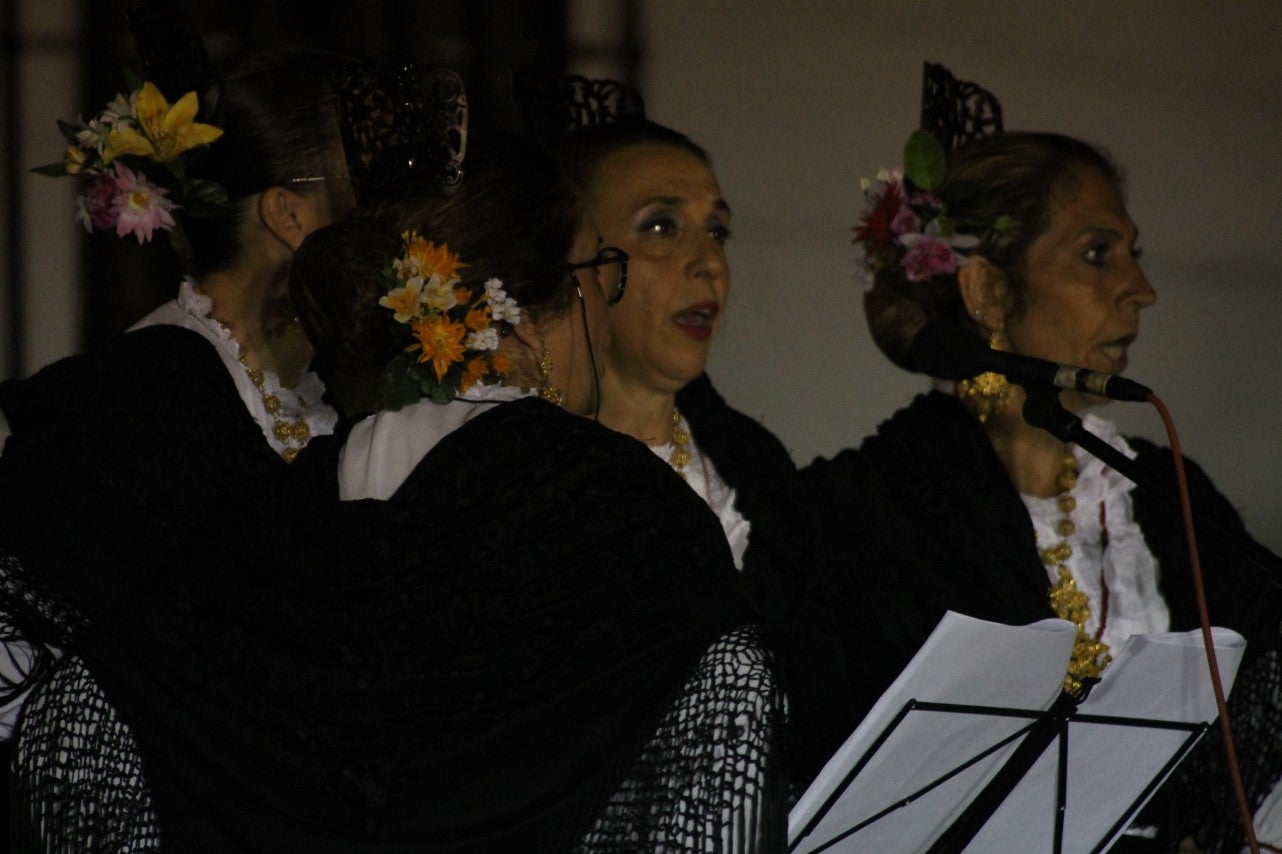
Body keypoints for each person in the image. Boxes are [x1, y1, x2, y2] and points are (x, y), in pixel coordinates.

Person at [5, 120, 787, 849]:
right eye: (595, 271)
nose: (603, 307)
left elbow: (81, 719)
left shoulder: (268, 518)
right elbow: (723, 744)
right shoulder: (638, 519)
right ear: (518, 312)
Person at [801, 121, 1282, 851]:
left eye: (1133, 254)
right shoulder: (868, 512)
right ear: (988, 289)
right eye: (1097, 255)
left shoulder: (1159, 491)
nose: (1140, 291)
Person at [0, 42, 368, 847]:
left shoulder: (340, 398)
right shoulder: (126, 408)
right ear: (290, 212)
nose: (408, 230)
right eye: (371, 186)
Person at [544, 77, 854, 788]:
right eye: (660, 226)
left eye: (717, 230)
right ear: (573, 258)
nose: (707, 262)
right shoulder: (528, 471)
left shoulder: (754, 466)